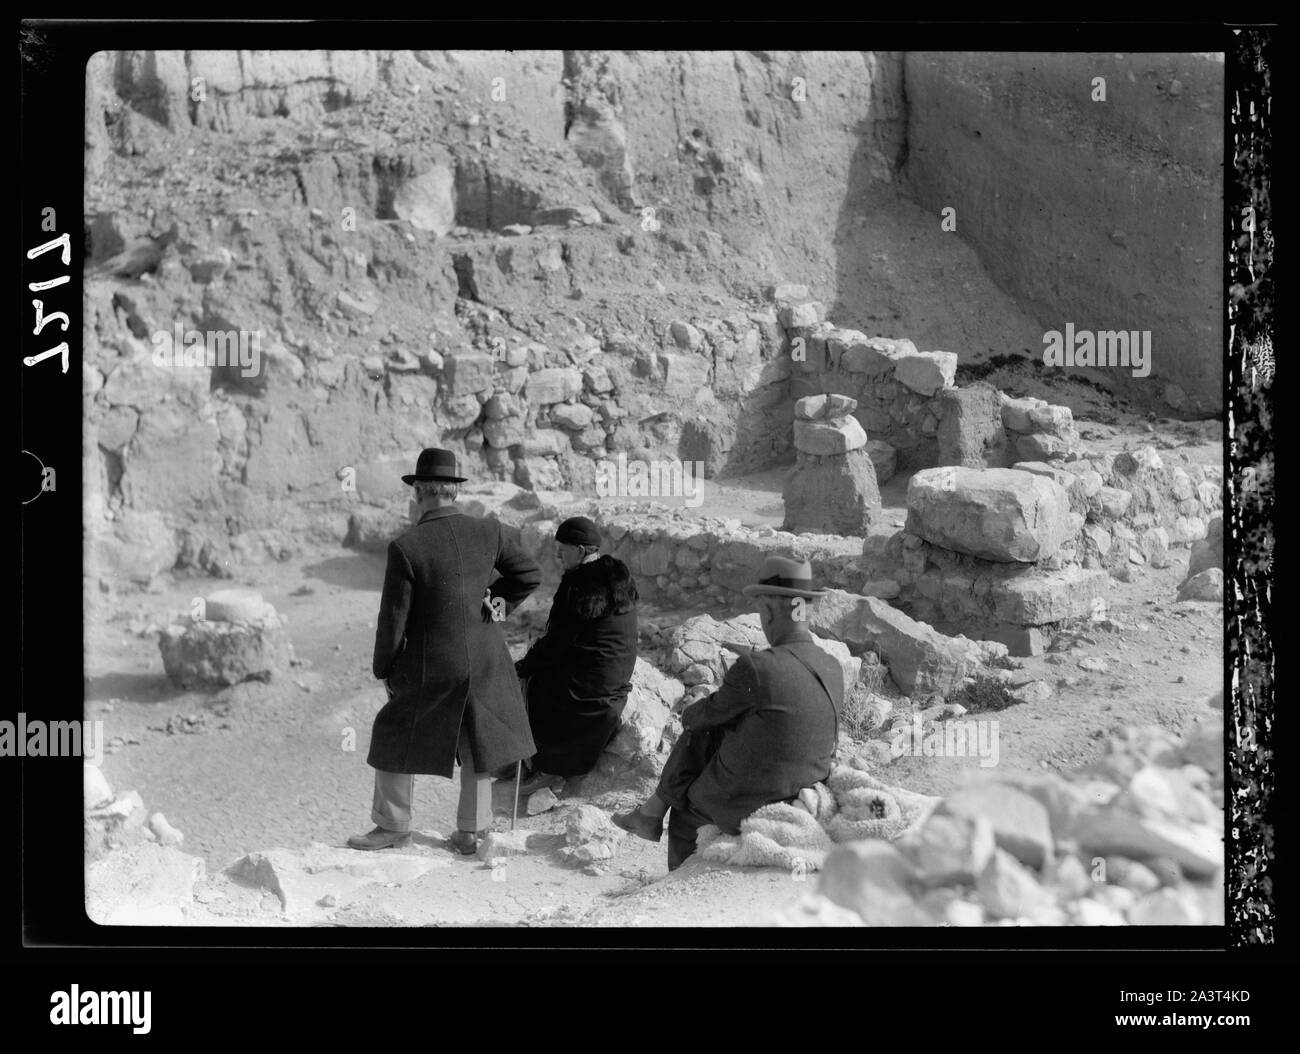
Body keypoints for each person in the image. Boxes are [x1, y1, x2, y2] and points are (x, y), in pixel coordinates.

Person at [347, 448, 542, 855]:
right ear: (454, 491)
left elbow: (393, 619)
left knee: (392, 732)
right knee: (479, 739)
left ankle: (393, 826)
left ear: (418, 492)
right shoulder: (489, 530)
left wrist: (385, 668)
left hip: (432, 663)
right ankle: (471, 833)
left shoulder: (407, 546)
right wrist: (498, 603)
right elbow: (528, 573)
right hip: (486, 656)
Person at [613, 556, 843, 870]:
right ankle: (650, 812)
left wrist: (714, 696)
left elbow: (695, 719)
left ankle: (679, 877)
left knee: (689, 802)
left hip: (757, 800)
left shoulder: (758, 666)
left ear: (769, 610)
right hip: (806, 786)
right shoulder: (832, 665)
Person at [512, 516, 638, 795]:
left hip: (590, 689)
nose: (557, 556)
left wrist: (521, 666)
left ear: (581, 551)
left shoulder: (579, 584)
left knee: (531, 684)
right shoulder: (617, 572)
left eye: (562, 550)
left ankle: (545, 767)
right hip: (614, 679)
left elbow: (555, 644)